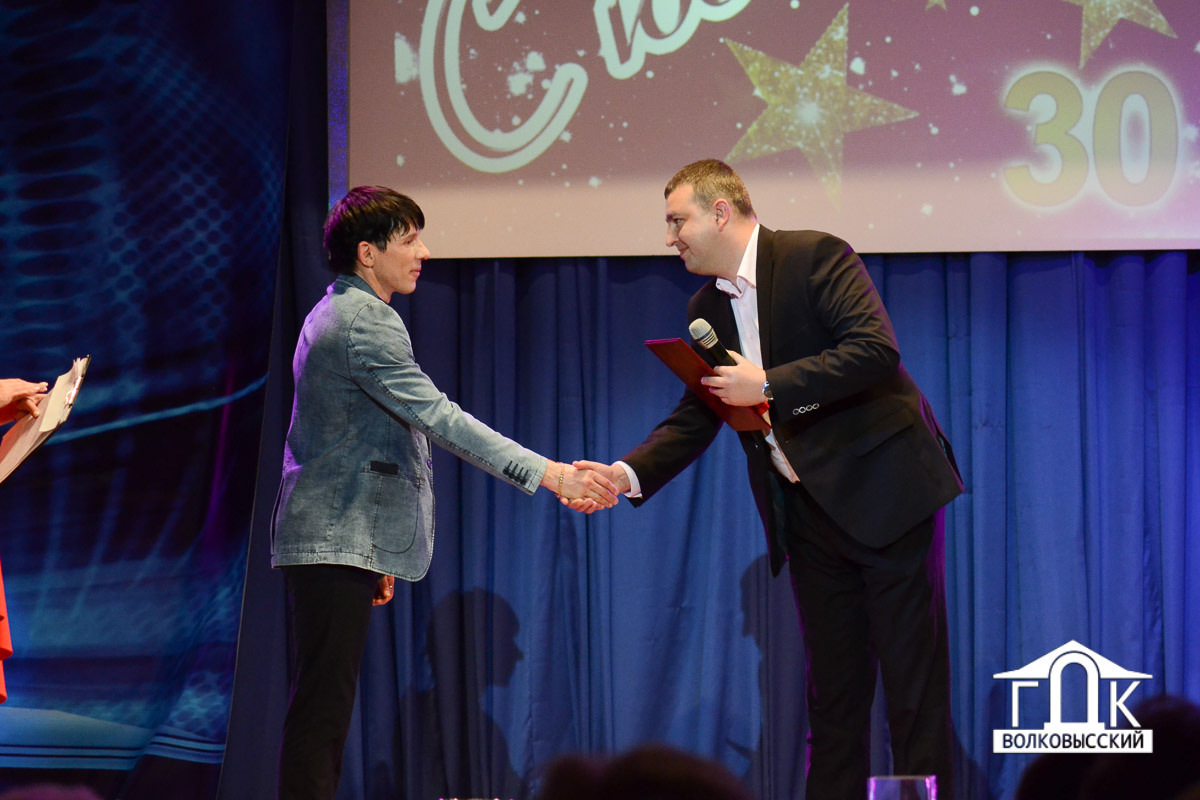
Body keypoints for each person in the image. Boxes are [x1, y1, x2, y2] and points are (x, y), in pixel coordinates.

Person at [574, 160, 963, 800]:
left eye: (677, 221)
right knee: (832, 698)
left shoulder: (816, 257)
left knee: (912, 692)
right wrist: (624, 474)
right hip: (806, 517)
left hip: (887, 497)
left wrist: (771, 385)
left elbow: (874, 350)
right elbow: (699, 413)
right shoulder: (706, 307)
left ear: (720, 212)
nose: (670, 238)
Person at [270, 185, 619, 800]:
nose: (424, 252)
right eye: (410, 240)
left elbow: (346, 439)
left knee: (324, 710)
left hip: (339, 539)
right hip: (330, 540)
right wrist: (551, 473)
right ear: (368, 252)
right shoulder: (363, 322)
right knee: (321, 715)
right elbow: (440, 419)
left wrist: (373, 552)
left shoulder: (342, 310)